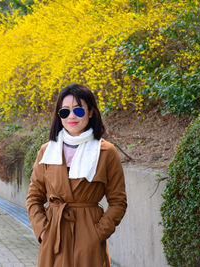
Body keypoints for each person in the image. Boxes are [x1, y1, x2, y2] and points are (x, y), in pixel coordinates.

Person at [26, 84, 127, 267]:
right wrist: (42, 231)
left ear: (90, 113)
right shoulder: (47, 151)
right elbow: (34, 197)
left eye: (78, 110)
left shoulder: (106, 152)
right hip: (54, 236)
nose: (71, 116)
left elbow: (118, 201)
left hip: (89, 238)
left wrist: (96, 233)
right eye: (65, 112)